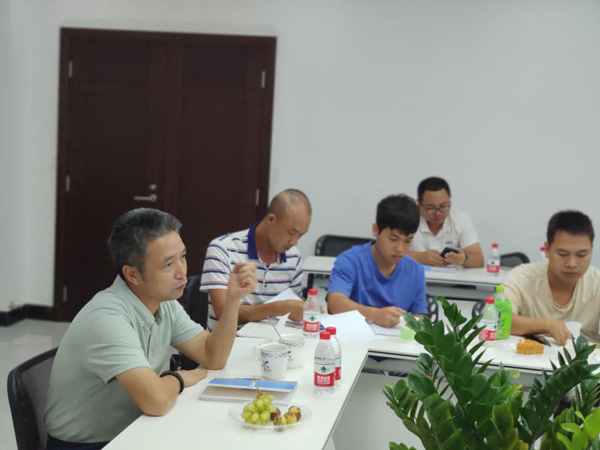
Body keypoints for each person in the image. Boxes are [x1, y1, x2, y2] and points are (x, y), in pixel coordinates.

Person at [44, 208, 257, 449]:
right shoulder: (107, 320)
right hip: (92, 445)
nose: (182, 272)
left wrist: (232, 301)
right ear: (132, 275)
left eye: (183, 257)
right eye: (168, 264)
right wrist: (178, 377)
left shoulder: (164, 303)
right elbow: (156, 401)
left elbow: (212, 356)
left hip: (135, 429)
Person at [201, 189, 311, 330]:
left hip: (274, 341)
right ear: (271, 219)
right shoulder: (223, 249)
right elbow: (222, 312)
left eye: (300, 235)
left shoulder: (293, 256)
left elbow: (294, 311)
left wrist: (303, 309)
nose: (294, 242)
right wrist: (280, 308)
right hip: (230, 341)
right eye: (291, 232)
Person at [327, 194, 428, 328]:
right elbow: (335, 303)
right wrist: (374, 315)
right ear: (375, 230)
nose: (400, 248)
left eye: (408, 240)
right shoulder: (350, 261)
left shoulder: (415, 270)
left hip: (395, 340)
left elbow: (420, 316)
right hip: (353, 337)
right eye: (393, 239)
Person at [504, 210, 600, 346]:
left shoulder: (597, 282)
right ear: (547, 249)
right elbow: (500, 320)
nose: (572, 264)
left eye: (582, 255)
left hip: (585, 358)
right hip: (529, 356)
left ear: (591, 250)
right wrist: (547, 325)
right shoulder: (521, 278)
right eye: (562, 254)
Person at [409, 177, 484, 268]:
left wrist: (464, 260)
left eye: (443, 206)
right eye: (431, 208)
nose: (438, 213)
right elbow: (393, 253)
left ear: (450, 201)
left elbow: (479, 261)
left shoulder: (460, 220)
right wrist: (421, 258)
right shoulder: (408, 219)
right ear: (419, 203)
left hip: (453, 277)